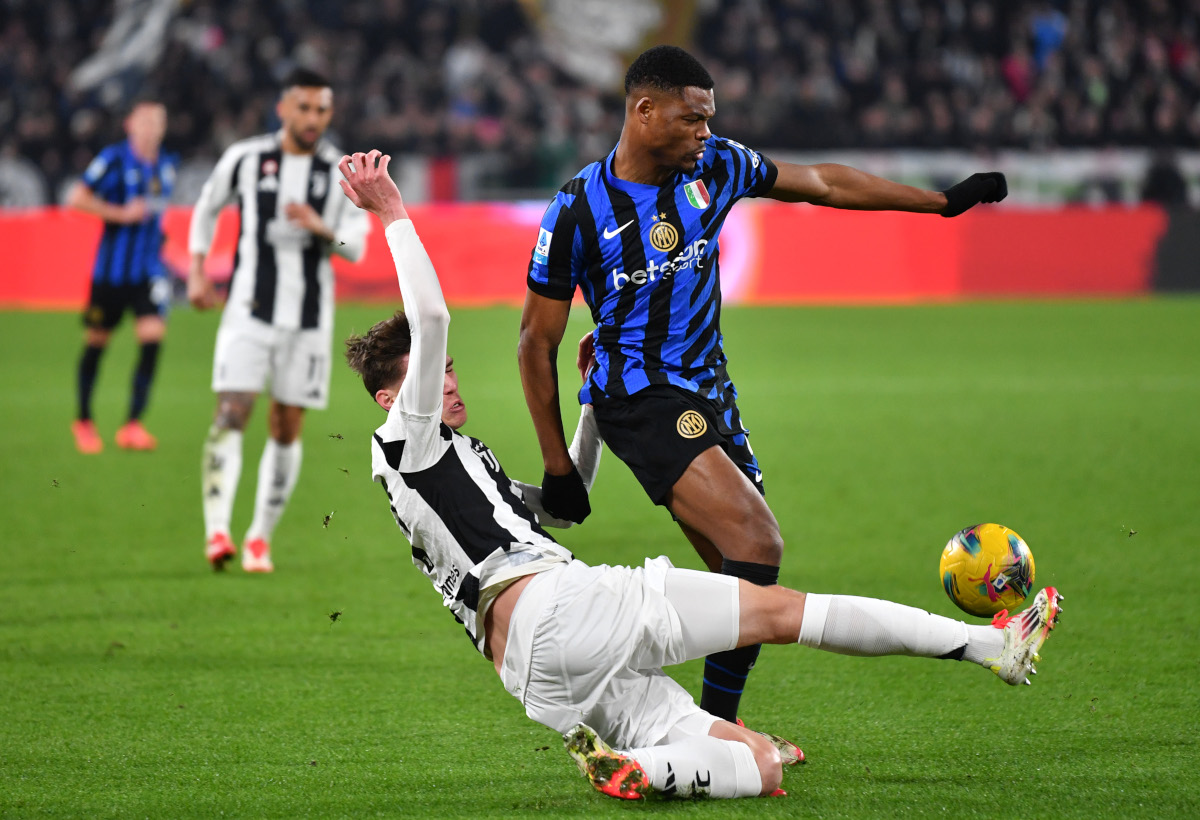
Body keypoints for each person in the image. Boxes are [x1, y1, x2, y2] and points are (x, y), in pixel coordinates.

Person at [339, 149, 1062, 801]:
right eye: (434, 380)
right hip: (561, 609)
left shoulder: (449, 468)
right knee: (779, 607)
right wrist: (393, 211)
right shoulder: (410, 440)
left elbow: (563, 508)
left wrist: (590, 401)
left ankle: (635, 768)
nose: (450, 386)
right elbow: (430, 317)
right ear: (387, 401)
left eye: (452, 374)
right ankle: (992, 647)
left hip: (535, 674)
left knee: (759, 765)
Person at [517, 45, 1010, 723]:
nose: (704, 132)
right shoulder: (578, 208)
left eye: (709, 118)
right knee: (758, 543)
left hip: (710, 391)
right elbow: (534, 343)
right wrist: (558, 469)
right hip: (639, 397)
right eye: (691, 118)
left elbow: (824, 184)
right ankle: (707, 723)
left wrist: (940, 202)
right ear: (643, 111)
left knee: (739, 583)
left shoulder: (716, 165)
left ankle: (712, 723)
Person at [187, 68, 369, 573]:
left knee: (286, 425)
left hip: (309, 321)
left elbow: (355, 245)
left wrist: (321, 227)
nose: (313, 118)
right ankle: (217, 530)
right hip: (248, 310)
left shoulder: (340, 170)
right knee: (232, 411)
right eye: (304, 108)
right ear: (283, 109)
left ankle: (259, 538)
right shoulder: (246, 158)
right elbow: (205, 207)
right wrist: (198, 271)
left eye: (322, 110)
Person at [67, 98, 177, 454]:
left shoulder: (165, 167)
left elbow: (158, 219)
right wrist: (119, 213)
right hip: (111, 275)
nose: (151, 128)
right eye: (145, 120)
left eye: (158, 121)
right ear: (130, 123)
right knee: (97, 343)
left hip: (146, 272)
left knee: (152, 339)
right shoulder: (113, 159)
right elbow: (77, 197)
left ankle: (132, 424)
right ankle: (83, 419)